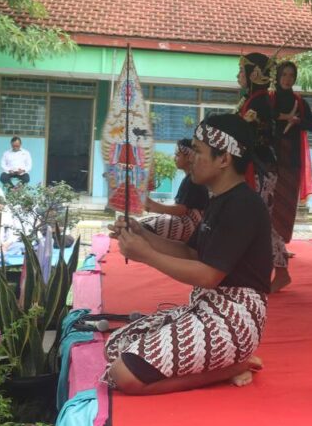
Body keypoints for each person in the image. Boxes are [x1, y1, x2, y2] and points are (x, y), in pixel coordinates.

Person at [103, 114, 272, 395]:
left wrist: (147, 255)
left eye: (197, 150)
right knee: (115, 346)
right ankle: (227, 365)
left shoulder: (244, 205)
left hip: (233, 319)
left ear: (224, 158)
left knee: (123, 375)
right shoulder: (219, 199)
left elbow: (208, 276)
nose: (190, 157)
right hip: (208, 307)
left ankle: (232, 367)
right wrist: (142, 234)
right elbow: (190, 253)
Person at [236, 52, 289, 292]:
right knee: (255, 221)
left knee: (263, 221)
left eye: (242, 71)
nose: (238, 76)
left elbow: (254, 137)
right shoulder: (252, 99)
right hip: (256, 167)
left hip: (261, 169)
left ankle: (281, 271)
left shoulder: (259, 103)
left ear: (254, 74)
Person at [270, 61, 312, 291]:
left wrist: (298, 121)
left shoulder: (300, 102)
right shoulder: (269, 100)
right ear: (277, 76)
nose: (287, 79)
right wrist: (281, 117)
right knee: (269, 212)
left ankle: (279, 254)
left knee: (283, 211)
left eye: (291, 75)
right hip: (270, 162)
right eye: (284, 74)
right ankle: (275, 256)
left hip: (290, 164)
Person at [141, 140, 209, 242]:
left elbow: (179, 210)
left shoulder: (192, 180)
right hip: (194, 222)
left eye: (177, 155)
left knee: (145, 228)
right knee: (146, 223)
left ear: (188, 157)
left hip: (192, 224)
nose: (174, 158)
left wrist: (151, 204)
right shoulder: (190, 178)